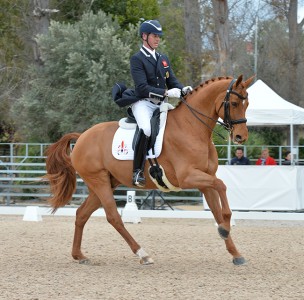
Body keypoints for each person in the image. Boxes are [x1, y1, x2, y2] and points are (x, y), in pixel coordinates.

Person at [130, 20, 192, 187]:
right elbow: (142, 88)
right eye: (154, 36)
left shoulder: (162, 58)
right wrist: (165, 92)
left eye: (158, 36)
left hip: (161, 104)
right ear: (144, 36)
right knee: (147, 129)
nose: (157, 39)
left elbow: (172, 81)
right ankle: (137, 171)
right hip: (144, 103)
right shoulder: (137, 59)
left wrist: (182, 89)